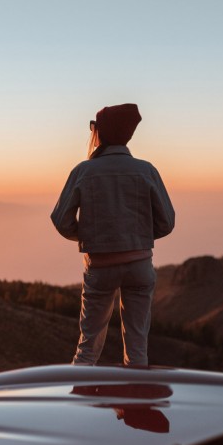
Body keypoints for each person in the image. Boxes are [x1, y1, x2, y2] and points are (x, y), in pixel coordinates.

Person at [51, 103, 175, 366]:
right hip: (139, 265)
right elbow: (167, 222)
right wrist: (137, 236)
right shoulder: (146, 170)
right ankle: (134, 404)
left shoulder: (83, 171)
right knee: (138, 348)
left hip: (100, 266)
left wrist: (89, 236)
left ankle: (79, 405)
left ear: (100, 133)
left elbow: (61, 220)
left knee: (87, 348)